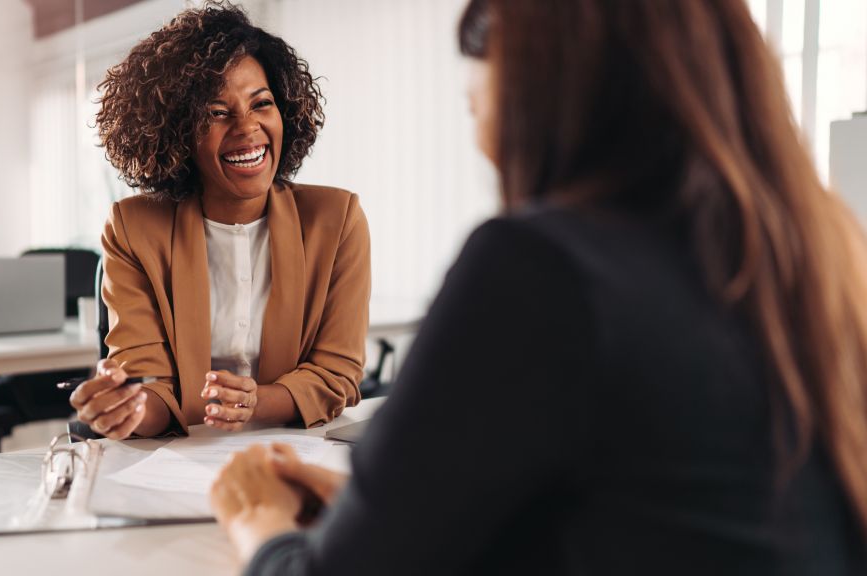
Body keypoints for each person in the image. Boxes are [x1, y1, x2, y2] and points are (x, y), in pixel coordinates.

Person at [209, 0, 867, 573]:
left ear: (539, 105)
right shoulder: (819, 255)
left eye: (478, 111)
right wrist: (393, 513)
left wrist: (257, 522)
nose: (486, 147)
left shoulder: (544, 268)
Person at [69, 2, 370, 439]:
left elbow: (336, 374)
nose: (247, 128)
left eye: (261, 103)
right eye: (216, 112)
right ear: (177, 131)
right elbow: (151, 387)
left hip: (292, 449)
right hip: (176, 458)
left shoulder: (337, 220)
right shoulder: (134, 228)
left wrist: (255, 403)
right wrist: (127, 408)